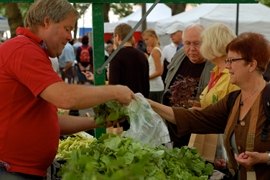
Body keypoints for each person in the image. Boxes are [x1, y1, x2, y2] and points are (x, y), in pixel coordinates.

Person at [0, 0, 134, 179]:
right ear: (46, 22)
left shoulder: (32, 51)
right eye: (67, 28)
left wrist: (99, 121)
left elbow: (50, 121)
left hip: (24, 170)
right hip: (12, 170)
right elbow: (65, 97)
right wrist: (116, 91)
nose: (71, 36)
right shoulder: (24, 49)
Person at [148, 32, 270, 180]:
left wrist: (265, 157)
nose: (227, 65)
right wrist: (148, 104)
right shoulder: (233, 99)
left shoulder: (267, 98)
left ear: (252, 65)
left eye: (232, 60)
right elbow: (197, 119)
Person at [162, 24, 214, 149]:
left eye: (197, 43)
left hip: (197, 135)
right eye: (187, 43)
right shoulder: (179, 56)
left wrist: (201, 105)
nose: (191, 49)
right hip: (171, 130)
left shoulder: (214, 65)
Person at [109, 23, 149, 130]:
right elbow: (146, 84)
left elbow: (113, 87)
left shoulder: (116, 56)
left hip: (124, 110)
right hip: (140, 107)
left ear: (117, 37)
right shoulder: (142, 56)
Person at [143, 28, 164, 103]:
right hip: (154, 86)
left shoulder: (155, 51)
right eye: (145, 40)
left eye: (147, 39)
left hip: (154, 87)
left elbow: (159, 72)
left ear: (153, 37)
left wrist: (145, 78)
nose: (146, 42)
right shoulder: (158, 49)